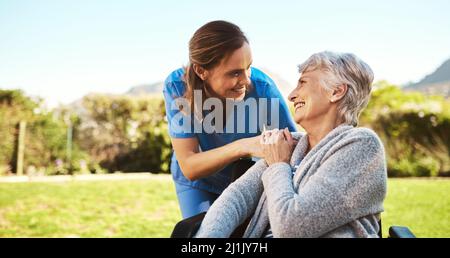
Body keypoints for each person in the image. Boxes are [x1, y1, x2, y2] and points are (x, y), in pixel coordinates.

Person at [195, 51, 387, 238]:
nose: (291, 96)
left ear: (336, 92)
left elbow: (292, 229)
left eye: (303, 83)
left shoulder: (362, 146)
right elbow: (236, 198)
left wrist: (279, 165)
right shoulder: (291, 144)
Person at [163, 20, 297, 219]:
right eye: (235, 73)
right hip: (197, 184)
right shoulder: (177, 87)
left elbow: (292, 146)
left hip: (245, 179)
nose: (246, 81)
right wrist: (243, 146)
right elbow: (189, 165)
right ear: (201, 71)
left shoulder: (263, 88)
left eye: (248, 67)